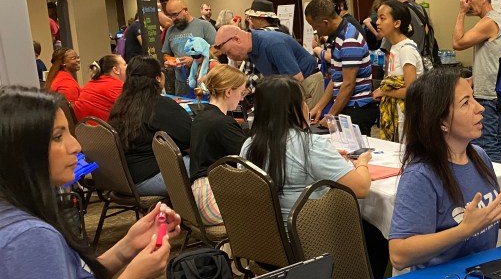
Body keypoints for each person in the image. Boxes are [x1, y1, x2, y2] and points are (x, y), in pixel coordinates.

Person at [0, 86, 180, 279]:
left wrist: (126, 248)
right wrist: (132, 277)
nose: (74, 146)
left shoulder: (13, 215)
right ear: (22, 152)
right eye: (57, 137)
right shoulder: (29, 237)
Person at [389, 67, 501, 271]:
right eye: (465, 103)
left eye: (474, 98)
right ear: (441, 121)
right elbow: (398, 255)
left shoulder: (478, 155)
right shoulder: (421, 175)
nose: (480, 108)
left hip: (482, 275)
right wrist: (463, 231)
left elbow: (495, 220)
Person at [240, 76, 371, 221]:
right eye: (303, 101)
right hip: (309, 235)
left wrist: (329, 156)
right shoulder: (310, 145)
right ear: (292, 109)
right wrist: (362, 162)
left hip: (262, 235)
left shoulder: (248, 145)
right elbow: (361, 188)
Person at [107, 56, 192, 197]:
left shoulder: (120, 105)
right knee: (210, 166)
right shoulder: (160, 105)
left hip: (124, 179)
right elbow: (190, 137)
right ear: (158, 78)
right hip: (149, 178)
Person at [452, 0, 501, 165]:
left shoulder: (489, 22)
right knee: (495, 144)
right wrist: (474, 79)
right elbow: (491, 60)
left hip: (489, 97)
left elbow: (457, 42)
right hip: (492, 93)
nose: (467, 3)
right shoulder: (492, 20)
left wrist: (460, 12)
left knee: (487, 146)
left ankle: (497, 188)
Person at [304, 0, 378, 135]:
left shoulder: (349, 39)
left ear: (325, 22)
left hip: (357, 109)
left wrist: (331, 116)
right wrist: (319, 107)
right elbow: (337, 78)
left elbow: (348, 85)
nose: (315, 31)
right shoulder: (339, 36)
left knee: (355, 154)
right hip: (348, 106)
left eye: (315, 26)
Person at [213, 24, 324, 111]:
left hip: (306, 84)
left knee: (301, 128)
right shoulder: (252, 47)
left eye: (228, 52)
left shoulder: (271, 44)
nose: (229, 57)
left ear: (236, 39)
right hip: (290, 86)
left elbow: (296, 78)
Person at [189, 64, 247, 225]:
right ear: (229, 92)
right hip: (211, 202)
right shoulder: (223, 124)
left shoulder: (202, 116)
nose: (242, 98)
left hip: (198, 195)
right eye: (241, 92)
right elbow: (250, 159)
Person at [372, 0, 423, 142]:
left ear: (397, 23)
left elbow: (411, 90)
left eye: (383, 18)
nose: (377, 22)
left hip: (407, 115)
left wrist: (384, 91)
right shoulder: (394, 47)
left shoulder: (406, 49)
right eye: (378, 18)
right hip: (396, 113)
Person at [160, 0, 217, 97]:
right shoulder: (170, 30)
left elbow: (217, 49)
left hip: (203, 82)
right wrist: (170, 60)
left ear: (185, 10)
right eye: (170, 16)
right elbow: (166, 53)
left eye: (175, 14)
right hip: (181, 84)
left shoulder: (204, 26)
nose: (173, 19)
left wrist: (195, 59)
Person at [383, 0, 436, 67]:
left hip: (404, 69)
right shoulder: (422, 10)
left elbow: (389, 54)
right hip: (425, 67)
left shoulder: (396, 13)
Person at [73, 54, 126, 122]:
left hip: (84, 129)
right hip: (105, 130)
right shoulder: (118, 87)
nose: (127, 67)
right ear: (116, 70)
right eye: (125, 64)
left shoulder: (91, 83)